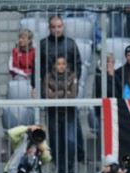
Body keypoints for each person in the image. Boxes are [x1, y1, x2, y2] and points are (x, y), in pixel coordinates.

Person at [34, 14, 85, 165]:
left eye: (59, 26)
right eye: (54, 26)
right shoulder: (43, 44)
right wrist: (34, 86)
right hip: (49, 92)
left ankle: (73, 159)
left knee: (71, 129)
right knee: (54, 130)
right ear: (49, 28)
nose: (57, 29)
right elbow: (37, 68)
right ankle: (57, 159)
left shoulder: (70, 43)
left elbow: (78, 65)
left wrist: (72, 84)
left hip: (69, 94)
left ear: (63, 27)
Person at [42, 55, 78, 173]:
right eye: (58, 64)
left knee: (71, 141)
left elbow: (73, 94)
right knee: (56, 143)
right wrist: (63, 91)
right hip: (54, 114)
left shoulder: (72, 76)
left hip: (69, 113)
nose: (61, 66)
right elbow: (46, 94)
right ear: (54, 65)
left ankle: (69, 167)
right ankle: (61, 169)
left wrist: (55, 92)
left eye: (63, 64)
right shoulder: (48, 77)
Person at [94, 52, 122, 118]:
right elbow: (112, 92)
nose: (109, 64)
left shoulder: (116, 74)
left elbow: (121, 91)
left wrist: (112, 76)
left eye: (111, 62)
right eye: (107, 61)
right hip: (102, 109)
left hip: (115, 108)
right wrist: (111, 77)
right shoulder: (98, 75)